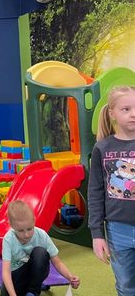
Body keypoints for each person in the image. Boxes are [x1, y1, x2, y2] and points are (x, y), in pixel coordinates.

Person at [88, 85, 135, 296]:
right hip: (118, 230)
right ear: (112, 113)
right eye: (126, 109)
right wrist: (97, 235)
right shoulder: (102, 148)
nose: (133, 114)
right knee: (126, 285)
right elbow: (95, 193)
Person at [1, 200, 80, 296]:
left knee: (40, 253)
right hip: (17, 275)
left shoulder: (41, 235)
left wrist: (70, 277)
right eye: (20, 230)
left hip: (36, 272)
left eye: (29, 229)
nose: (26, 234)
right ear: (12, 226)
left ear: (34, 220)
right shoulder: (8, 239)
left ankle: (33, 291)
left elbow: (57, 262)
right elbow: (6, 272)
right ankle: (32, 285)